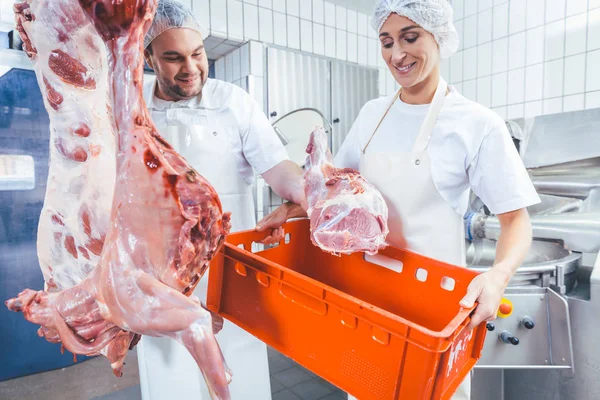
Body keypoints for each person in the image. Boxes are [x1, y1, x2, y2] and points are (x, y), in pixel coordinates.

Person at [256, 0, 541, 399]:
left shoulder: (476, 123)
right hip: (367, 299)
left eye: (410, 38)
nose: (397, 54)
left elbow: (516, 220)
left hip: (434, 308)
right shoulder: (372, 114)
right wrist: (289, 210)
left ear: (439, 38)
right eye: (386, 42)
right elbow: (337, 189)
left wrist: (497, 276)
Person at [137, 1, 305, 399]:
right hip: (161, 276)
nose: (191, 68)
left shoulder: (234, 101)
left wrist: (305, 192)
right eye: (173, 58)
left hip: (229, 270)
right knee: (170, 378)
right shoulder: (133, 103)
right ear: (148, 58)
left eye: (197, 54)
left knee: (240, 371)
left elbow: (277, 167)